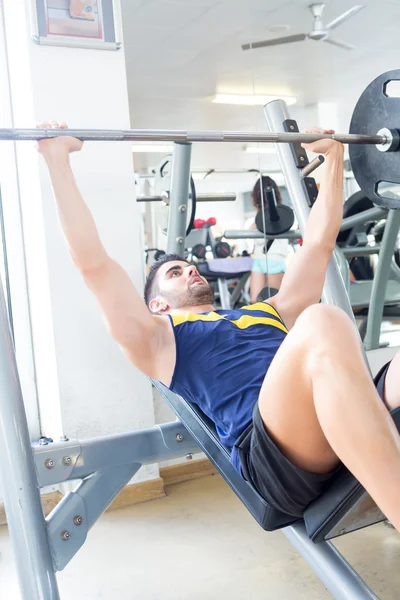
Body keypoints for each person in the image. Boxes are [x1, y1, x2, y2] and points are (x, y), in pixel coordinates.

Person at [38, 121, 400, 531]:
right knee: (322, 319)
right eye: (175, 272)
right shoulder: (159, 339)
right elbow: (95, 266)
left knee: (328, 325)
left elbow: (318, 242)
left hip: (341, 416)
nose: (190, 271)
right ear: (156, 304)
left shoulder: (271, 310)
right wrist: (56, 158)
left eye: (190, 267)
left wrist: (334, 158)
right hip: (276, 456)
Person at [248, 176, 289, 303]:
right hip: (259, 259)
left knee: (274, 301)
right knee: (256, 301)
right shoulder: (258, 216)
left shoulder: (279, 214)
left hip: (274, 259)